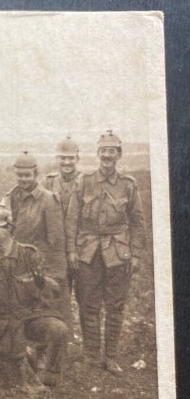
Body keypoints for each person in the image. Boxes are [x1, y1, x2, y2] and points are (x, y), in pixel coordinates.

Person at [65, 130, 145, 374]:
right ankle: (91, 356)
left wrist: (137, 254)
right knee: (88, 304)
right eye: (103, 151)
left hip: (118, 253)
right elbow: (72, 219)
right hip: (88, 251)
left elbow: (137, 221)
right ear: (97, 154)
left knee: (115, 305)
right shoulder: (84, 181)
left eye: (112, 151)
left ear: (119, 155)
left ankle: (110, 357)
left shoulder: (128, 185)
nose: (107, 155)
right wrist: (71, 251)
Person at [0, 207, 69, 388]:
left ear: (8, 228)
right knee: (9, 380)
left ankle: (51, 374)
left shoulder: (28, 255)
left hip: (28, 318)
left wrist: (44, 284)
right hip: (1, 324)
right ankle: (28, 356)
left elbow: (49, 292)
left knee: (58, 329)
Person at [3, 151, 70, 333]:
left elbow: (56, 243)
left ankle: (61, 361)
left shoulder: (49, 200)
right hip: (21, 272)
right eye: (19, 175)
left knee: (54, 321)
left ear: (36, 174)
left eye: (27, 175)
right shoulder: (12, 198)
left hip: (44, 273)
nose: (23, 179)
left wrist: (53, 279)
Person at [41, 135, 82, 297]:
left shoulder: (86, 181)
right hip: (55, 249)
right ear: (57, 159)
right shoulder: (48, 182)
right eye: (63, 158)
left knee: (85, 298)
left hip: (81, 248)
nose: (66, 163)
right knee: (57, 296)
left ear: (77, 158)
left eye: (71, 158)